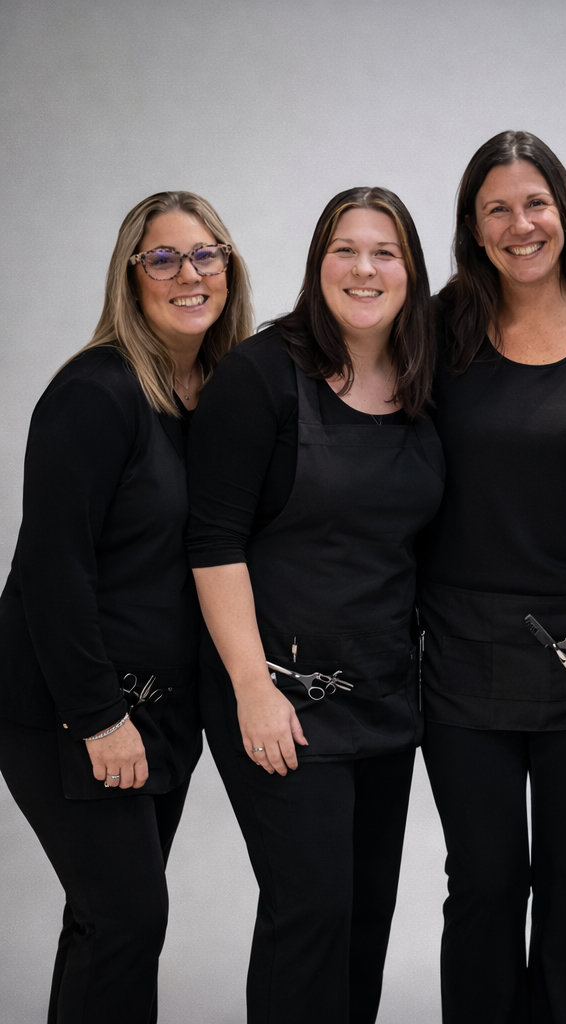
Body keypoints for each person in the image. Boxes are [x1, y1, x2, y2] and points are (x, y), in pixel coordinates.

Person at [187, 186, 442, 1024]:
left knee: (367, 913)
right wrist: (253, 691)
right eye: (346, 249)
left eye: (385, 252)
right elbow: (213, 542)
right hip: (278, 694)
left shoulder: (425, 383)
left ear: (410, 270)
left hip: (382, 690)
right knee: (311, 912)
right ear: (317, 263)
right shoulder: (258, 377)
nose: (364, 269)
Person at [417, 130, 566, 1023]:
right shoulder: (435, 333)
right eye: (497, 209)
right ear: (474, 230)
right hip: (460, 651)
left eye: (536, 202)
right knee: (483, 881)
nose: (521, 224)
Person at [0, 191, 252, 1023]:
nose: (190, 274)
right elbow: (51, 566)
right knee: (129, 919)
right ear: (132, 276)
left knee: (103, 921)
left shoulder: (212, 397)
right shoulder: (96, 392)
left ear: (229, 266)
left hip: (161, 712)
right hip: (73, 708)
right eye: (165, 258)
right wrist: (98, 717)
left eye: (206, 254)